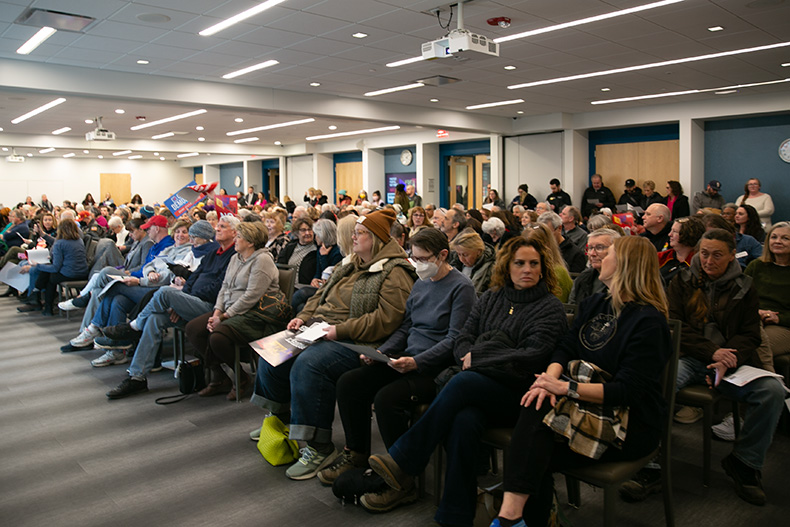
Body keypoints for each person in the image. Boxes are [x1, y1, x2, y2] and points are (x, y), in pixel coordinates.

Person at [365, 236, 567, 525]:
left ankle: (406, 459)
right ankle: (455, 514)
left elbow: (530, 357)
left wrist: (480, 356)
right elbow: (462, 339)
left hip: (521, 394)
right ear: (507, 267)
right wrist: (479, 354)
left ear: (543, 268)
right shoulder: (492, 298)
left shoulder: (550, 307)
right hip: (480, 385)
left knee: (461, 383)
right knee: (463, 421)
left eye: (534, 264)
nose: (527, 269)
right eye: (519, 263)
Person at [491, 236, 672, 527]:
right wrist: (549, 378)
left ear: (625, 264)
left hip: (629, 422)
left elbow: (628, 391)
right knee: (536, 405)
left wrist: (565, 387)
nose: (598, 255)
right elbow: (566, 346)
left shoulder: (648, 323)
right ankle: (515, 518)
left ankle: (511, 516)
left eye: (608, 251)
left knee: (531, 449)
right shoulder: (595, 303)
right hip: (583, 404)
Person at [251, 209, 415, 480]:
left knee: (309, 365)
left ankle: (319, 446)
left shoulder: (394, 271)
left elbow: (387, 320)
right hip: (322, 329)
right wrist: (303, 316)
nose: (353, 236)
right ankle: (280, 418)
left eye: (360, 232)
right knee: (273, 350)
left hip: (359, 341)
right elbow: (319, 295)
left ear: (376, 239)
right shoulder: (349, 264)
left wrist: (340, 330)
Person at [318, 228, 476, 490]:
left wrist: (417, 362)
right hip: (407, 359)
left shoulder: (461, 288)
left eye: (423, 259)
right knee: (349, 383)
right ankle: (356, 453)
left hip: (436, 368)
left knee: (387, 398)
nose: (417, 265)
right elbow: (406, 327)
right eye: (414, 258)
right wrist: (384, 352)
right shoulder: (422, 283)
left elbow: (454, 341)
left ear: (443, 255)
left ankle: (401, 474)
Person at [643, 229, 785, 506]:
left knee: (772, 391)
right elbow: (675, 326)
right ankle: (649, 460)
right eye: (704, 253)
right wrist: (713, 352)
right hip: (691, 357)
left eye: (717, 255)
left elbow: (751, 334)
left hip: (732, 361)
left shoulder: (745, 285)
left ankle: (745, 462)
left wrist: (729, 356)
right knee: (657, 383)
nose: (709, 260)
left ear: (732, 255)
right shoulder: (682, 280)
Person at [101, 216, 240, 399]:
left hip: (212, 307)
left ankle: (134, 327)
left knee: (165, 292)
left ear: (234, 233)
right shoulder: (214, 254)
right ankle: (137, 377)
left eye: (222, 227)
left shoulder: (233, 257)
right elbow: (193, 279)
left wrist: (182, 300)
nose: (217, 229)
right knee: (154, 319)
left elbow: (218, 289)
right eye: (218, 226)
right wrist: (181, 302)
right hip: (193, 302)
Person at [185, 222, 288, 400]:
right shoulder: (236, 258)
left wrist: (224, 316)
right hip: (231, 309)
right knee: (193, 329)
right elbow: (224, 288)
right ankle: (219, 377)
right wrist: (217, 312)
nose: (235, 239)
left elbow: (251, 296)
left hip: (256, 314)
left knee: (217, 336)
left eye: (239, 237)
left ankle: (240, 378)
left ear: (250, 242)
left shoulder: (262, 260)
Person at [20, 219, 88, 316]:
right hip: (83, 272)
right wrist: (43, 235)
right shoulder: (79, 240)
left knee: (50, 278)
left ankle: (43, 301)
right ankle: (37, 293)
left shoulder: (60, 243)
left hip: (69, 274)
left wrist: (37, 265)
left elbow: (55, 268)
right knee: (47, 271)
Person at [745, 222, 790, 364]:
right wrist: (757, 312)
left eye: (785, 238)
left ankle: (772, 384)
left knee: (756, 346)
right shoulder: (756, 266)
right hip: (754, 318)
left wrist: (779, 319)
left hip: (783, 325)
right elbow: (740, 295)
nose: (777, 241)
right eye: (774, 237)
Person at [290, 218, 342, 314]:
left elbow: (329, 276)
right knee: (301, 307)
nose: (315, 237)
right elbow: (318, 272)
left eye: (317, 235)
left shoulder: (337, 252)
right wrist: (314, 279)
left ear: (323, 236)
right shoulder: (320, 248)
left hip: (330, 290)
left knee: (301, 293)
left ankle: (284, 318)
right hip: (321, 286)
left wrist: (324, 257)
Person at [568, 228, 620, 305]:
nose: (592, 253)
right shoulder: (583, 278)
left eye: (599, 248)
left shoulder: (626, 283)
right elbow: (572, 309)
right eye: (590, 248)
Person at [658, 216, 706, 286]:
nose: (669, 234)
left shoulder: (698, 263)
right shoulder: (662, 257)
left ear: (687, 235)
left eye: (674, 231)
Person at [450, 228, 496, 296]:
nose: (462, 259)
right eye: (459, 254)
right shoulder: (455, 265)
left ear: (478, 251)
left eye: (465, 255)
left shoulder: (492, 269)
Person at [277, 217, 317, 289]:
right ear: (297, 233)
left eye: (309, 229)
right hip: (286, 285)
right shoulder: (290, 246)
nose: (307, 233)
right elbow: (281, 265)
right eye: (303, 230)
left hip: (304, 288)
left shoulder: (317, 250)